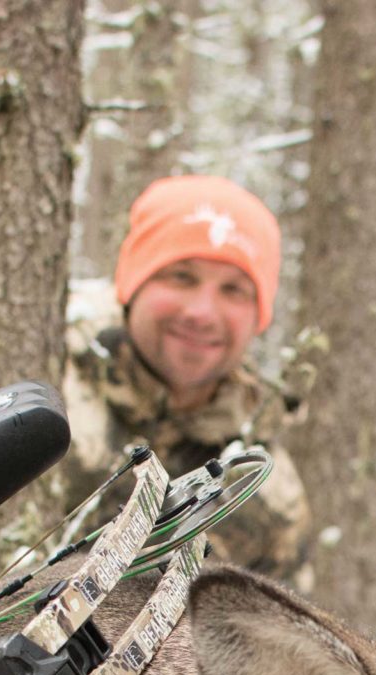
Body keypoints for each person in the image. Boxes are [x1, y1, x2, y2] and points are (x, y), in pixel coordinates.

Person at [48, 175, 312, 586]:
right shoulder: (42, 398)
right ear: (132, 285)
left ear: (258, 315)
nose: (202, 312)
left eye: (233, 290)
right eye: (181, 277)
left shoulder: (264, 490)